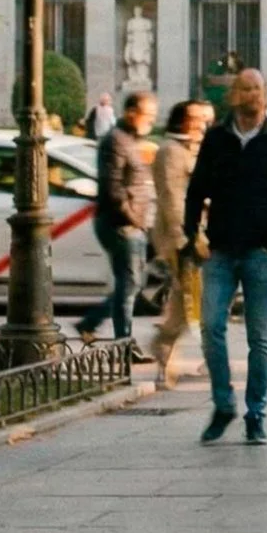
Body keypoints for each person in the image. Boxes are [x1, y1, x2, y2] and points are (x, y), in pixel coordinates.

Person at [182, 68, 267, 445]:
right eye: (244, 89)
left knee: (260, 337)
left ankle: (256, 413)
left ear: (266, 95)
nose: (251, 95)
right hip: (220, 250)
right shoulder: (217, 139)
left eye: (257, 89)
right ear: (233, 95)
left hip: (260, 253)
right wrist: (192, 234)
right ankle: (223, 404)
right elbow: (196, 190)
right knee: (211, 327)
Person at [79, 91, 156, 357]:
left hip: (131, 225)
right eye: (148, 115)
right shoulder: (115, 141)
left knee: (131, 284)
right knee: (129, 285)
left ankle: (92, 324)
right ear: (131, 112)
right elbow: (113, 190)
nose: (151, 121)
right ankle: (123, 344)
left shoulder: (130, 140)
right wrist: (135, 221)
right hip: (121, 225)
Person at [147, 99, 214, 389]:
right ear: (181, 121)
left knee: (185, 300)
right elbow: (172, 199)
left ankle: (164, 348)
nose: (203, 124)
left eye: (205, 119)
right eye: (197, 119)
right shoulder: (171, 152)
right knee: (195, 299)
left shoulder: (191, 149)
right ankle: (210, 356)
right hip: (184, 239)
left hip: (200, 236)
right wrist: (184, 240)